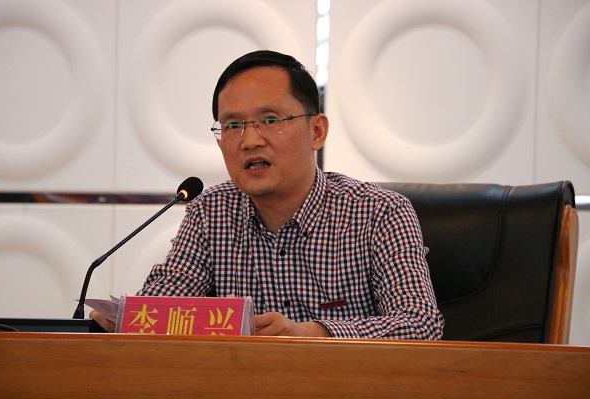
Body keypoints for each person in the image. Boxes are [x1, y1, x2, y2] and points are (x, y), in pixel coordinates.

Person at [91, 50, 444, 339]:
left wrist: (314, 333)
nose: (249, 140)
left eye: (270, 120)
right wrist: (125, 321)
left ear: (316, 132)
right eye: (233, 125)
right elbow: (165, 303)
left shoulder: (379, 212)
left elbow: (420, 323)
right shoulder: (210, 212)